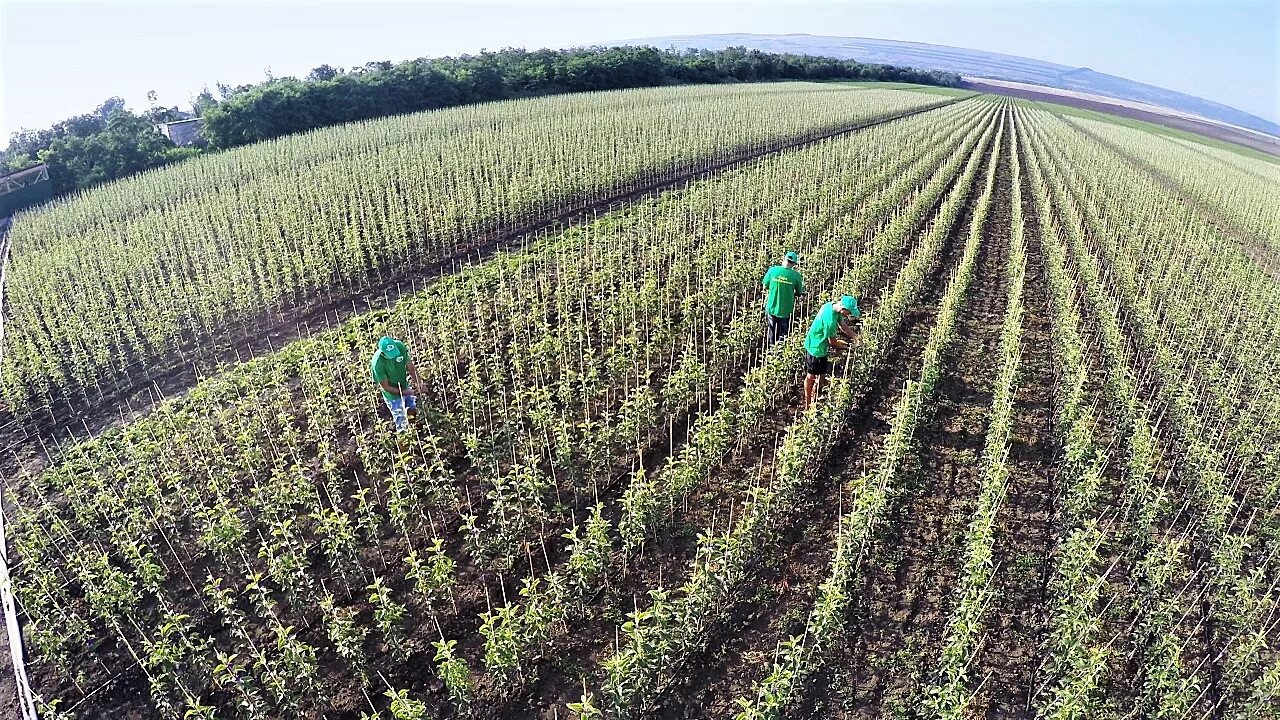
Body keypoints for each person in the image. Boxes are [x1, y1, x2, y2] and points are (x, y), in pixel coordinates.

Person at [802, 295, 862, 410]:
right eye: (849, 312)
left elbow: (842, 325)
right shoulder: (829, 320)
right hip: (816, 348)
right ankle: (808, 404)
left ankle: (816, 395)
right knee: (811, 376)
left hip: (821, 346)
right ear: (843, 308)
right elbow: (833, 343)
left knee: (821, 373)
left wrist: (855, 336)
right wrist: (849, 348)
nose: (849, 315)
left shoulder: (831, 306)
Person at [371, 335, 422, 431]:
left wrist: (419, 383)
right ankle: (404, 442)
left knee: (412, 410)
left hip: (404, 385)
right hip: (392, 395)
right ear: (383, 353)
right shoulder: (377, 363)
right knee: (401, 421)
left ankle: (413, 432)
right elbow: (386, 387)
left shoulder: (400, 346)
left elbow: (410, 367)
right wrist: (405, 392)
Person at [762, 251, 805, 347]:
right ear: (794, 264)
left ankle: (771, 351)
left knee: (772, 330)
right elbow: (799, 292)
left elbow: (765, 285)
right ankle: (781, 352)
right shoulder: (796, 276)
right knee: (784, 333)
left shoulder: (772, 270)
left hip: (772, 307)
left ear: (784, 259)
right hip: (786, 310)